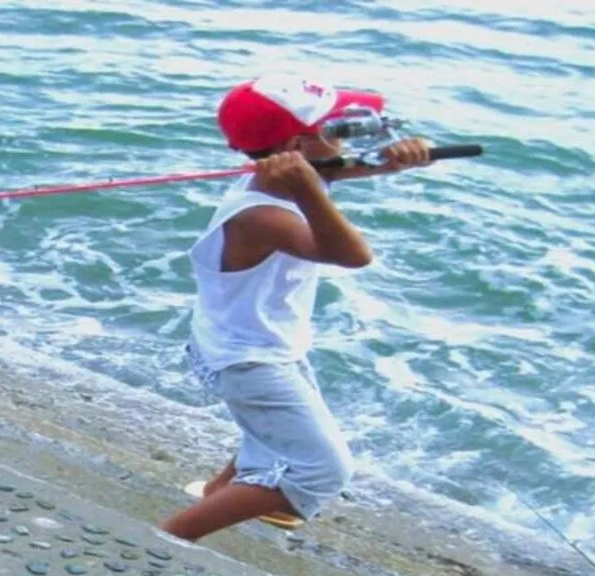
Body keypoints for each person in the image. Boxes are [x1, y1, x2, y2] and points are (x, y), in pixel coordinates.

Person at [161, 73, 436, 543]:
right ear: (295, 148)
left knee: (269, 434)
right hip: (247, 359)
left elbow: (345, 167)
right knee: (322, 469)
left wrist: (402, 157)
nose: (346, 140)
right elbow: (353, 255)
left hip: (246, 343)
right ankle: (167, 538)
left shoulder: (291, 178)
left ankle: (215, 492)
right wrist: (311, 189)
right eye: (335, 132)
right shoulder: (261, 214)